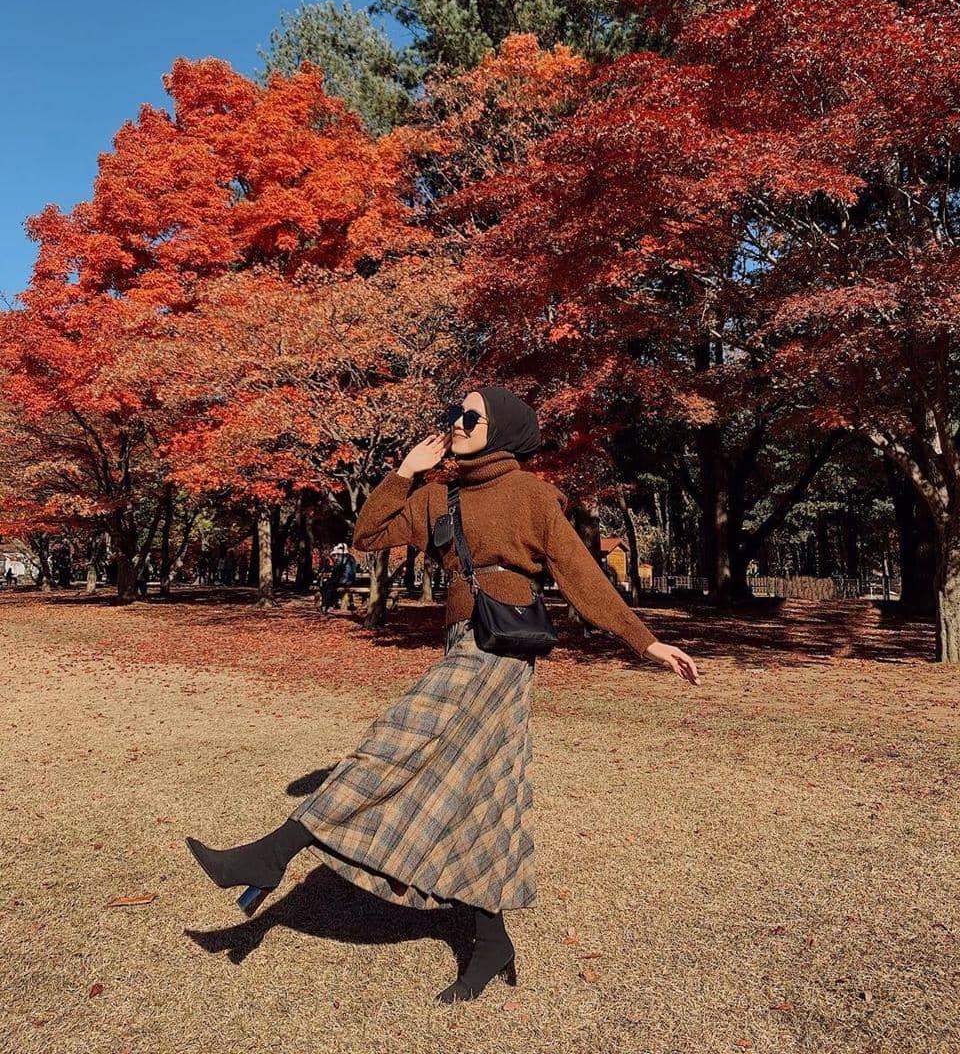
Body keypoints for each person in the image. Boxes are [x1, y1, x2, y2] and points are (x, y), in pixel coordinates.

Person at [185, 385, 699, 1004]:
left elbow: (581, 574)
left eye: (470, 416)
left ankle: (274, 851)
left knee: (399, 736)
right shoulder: (438, 494)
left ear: (501, 427)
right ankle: (491, 941)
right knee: (485, 793)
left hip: (502, 652)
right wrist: (404, 472)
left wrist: (646, 644)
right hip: (462, 641)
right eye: (454, 414)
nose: (456, 423)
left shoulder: (533, 496)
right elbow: (369, 535)